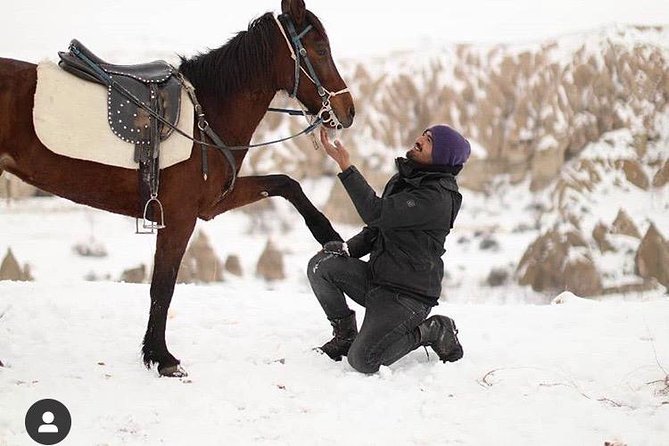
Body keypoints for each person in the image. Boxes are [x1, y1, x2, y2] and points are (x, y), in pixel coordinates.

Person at [307, 125, 471, 373]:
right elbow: (378, 227)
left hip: (407, 297)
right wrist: (348, 250)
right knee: (322, 265)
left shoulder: (437, 198)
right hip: (378, 279)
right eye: (423, 134)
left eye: (429, 141)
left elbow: (375, 211)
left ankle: (432, 330)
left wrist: (346, 166)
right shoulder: (405, 179)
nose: (419, 140)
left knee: (363, 360)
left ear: (442, 157)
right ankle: (345, 336)